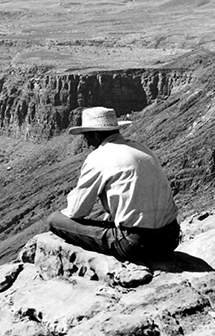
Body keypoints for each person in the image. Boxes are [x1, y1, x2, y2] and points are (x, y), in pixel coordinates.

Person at [48, 106, 180, 263]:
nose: (85, 141)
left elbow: (77, 211)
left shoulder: (99, 157)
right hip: (170, 239)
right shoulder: (142, 148)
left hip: (136, 245)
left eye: (86, 136)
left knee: (55, 220)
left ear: (96, 135)